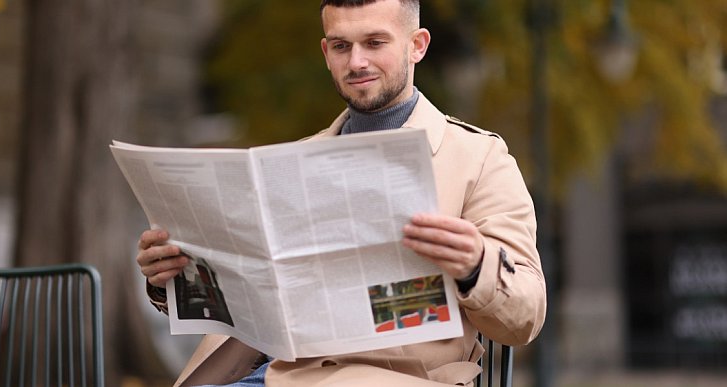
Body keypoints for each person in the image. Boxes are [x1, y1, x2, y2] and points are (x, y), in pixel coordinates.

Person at [136, 0, 546, 385]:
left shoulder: (478, 158)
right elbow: (251, 294)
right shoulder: (293, 162)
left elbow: (525, 317)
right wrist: (172, 277)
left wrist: (476, 266)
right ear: (325, 51)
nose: (356, 62)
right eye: (341, 46)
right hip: (280, 375)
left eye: (375, 43)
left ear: (417, 46)